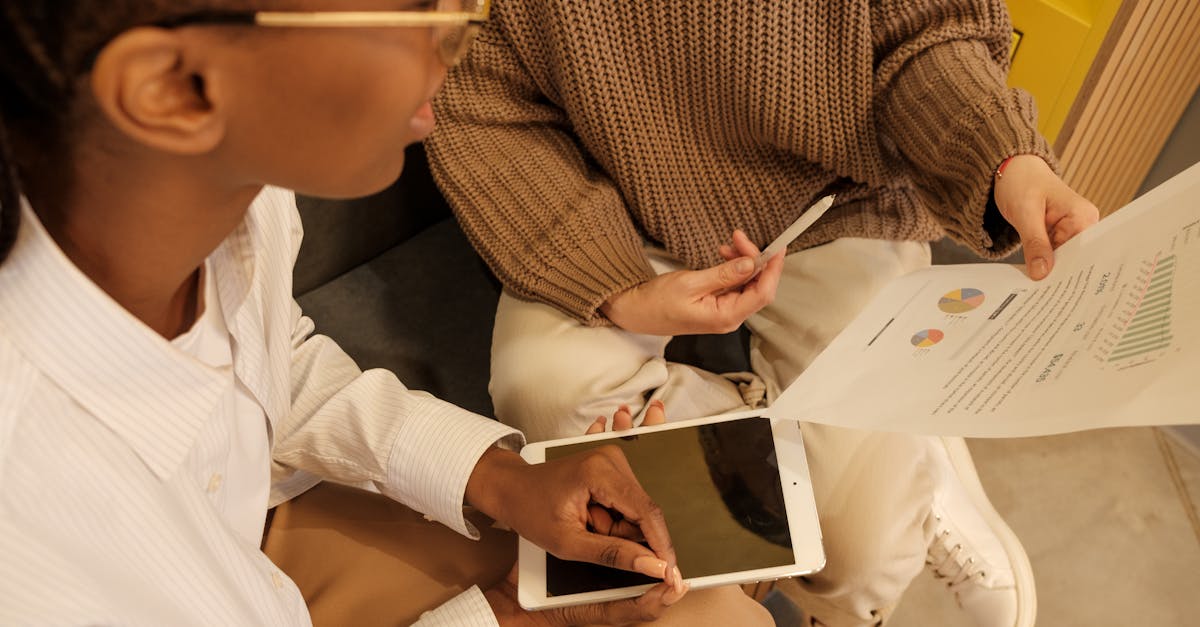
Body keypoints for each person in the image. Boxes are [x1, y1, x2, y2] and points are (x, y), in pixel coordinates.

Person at [0, 1, 775, 625]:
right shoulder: (34, 540)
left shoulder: (237, 191)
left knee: (699, 590)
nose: (460, 43)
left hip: (260, 524)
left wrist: (501, 477)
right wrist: (505, 615)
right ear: (171, 88)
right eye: (416, 7)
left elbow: (274, 362)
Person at [425, 1, 1101, 626]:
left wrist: (1004, 158)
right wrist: (612, 284)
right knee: (550, 409)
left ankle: (908, 480)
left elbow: (923, 31)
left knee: (858, 552)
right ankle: (880, 444)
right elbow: (478, 89)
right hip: (607, 203)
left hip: (835, 205)